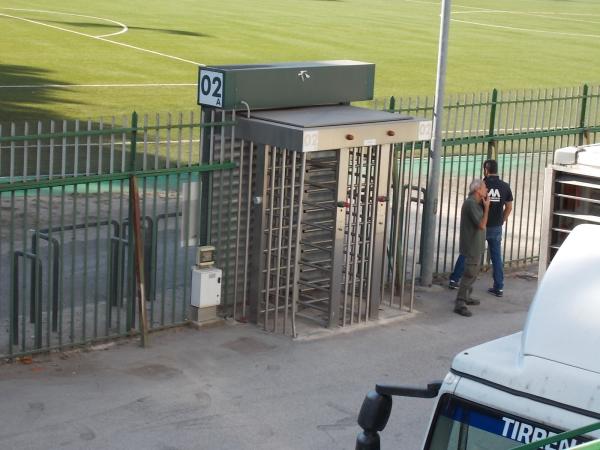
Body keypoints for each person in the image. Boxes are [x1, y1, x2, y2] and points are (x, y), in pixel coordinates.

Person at [448, 159, 513, 297]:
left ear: (485, 170)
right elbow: (509, 206)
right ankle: (499, 287)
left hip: (480, 226)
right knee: (496, 256)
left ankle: (455, 279)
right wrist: (502, 220)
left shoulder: (483, 185)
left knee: (468, 252)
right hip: (496, 226)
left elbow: (473, 201)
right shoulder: (505, 186)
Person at [454, 179, 490, 317]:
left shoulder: (475, 203)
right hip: (472, 245)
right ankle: (460, 302)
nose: (486, 190)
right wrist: (487, 208)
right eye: (484, 188)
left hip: (477, 244)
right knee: (469, 274)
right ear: (477, 190)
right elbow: (481, 225)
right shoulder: (470, 204)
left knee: (474, 273)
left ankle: (466, 296)